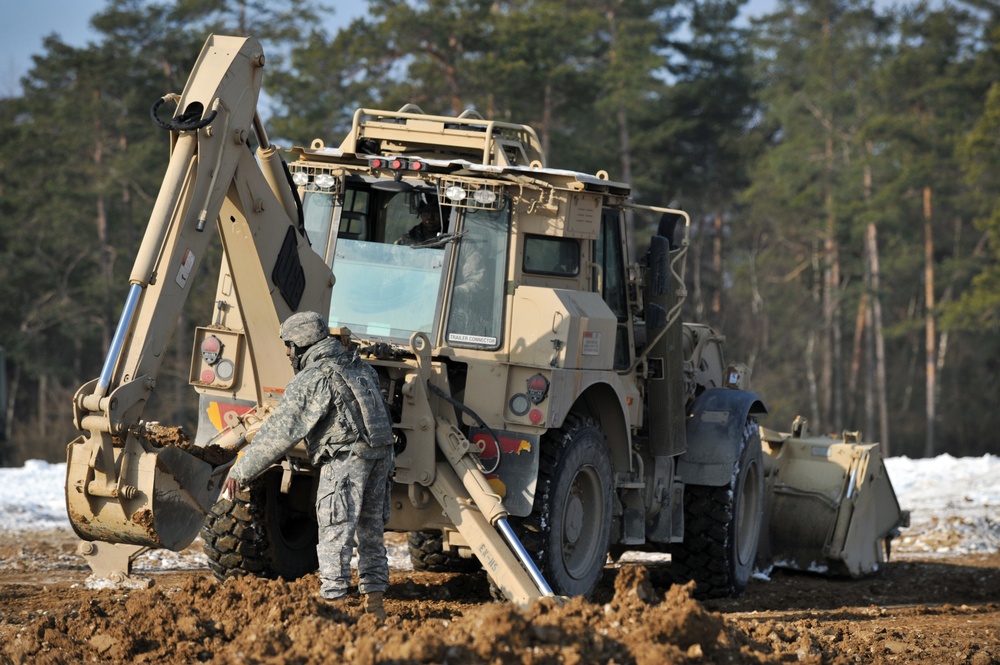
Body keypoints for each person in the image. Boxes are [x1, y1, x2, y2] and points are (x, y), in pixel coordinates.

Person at [220, 311, 395, 620]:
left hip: (345, 460)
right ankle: (376, 608)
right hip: (380, 457)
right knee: (371, 534)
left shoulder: (315, 377)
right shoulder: (359, 367)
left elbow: (279, 432)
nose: (287, 353)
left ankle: (334, 609)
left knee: (334, 534)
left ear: (302, 344)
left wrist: (241, 471)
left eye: (289, 345)